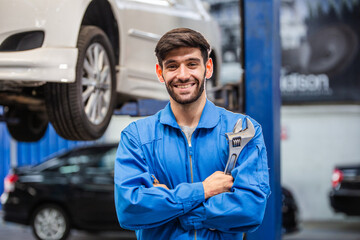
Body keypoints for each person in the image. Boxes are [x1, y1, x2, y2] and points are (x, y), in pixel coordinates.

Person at [114, 28, 270, 240]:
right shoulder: (138, 138)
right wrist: (204, 190)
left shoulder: (242, 129)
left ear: (208, 68)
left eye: (192, 64)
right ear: (160, 73)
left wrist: (170, 205)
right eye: (172, 66)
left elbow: (251, 209)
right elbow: (130, 209)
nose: (183, 75)